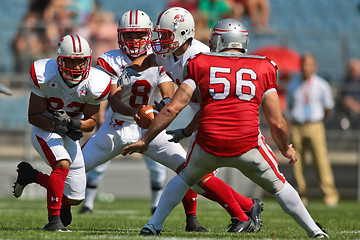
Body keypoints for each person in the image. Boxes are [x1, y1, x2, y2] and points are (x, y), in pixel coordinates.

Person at [122, 19, 329, 238]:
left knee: (183, 178)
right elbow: (277, 121)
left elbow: (173, 108)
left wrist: (146, 139)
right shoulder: (264, 66)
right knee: (279, 185)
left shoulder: (200, 62)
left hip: (209, 142)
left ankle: (153, 226)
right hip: (248, 144)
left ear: (218, 40)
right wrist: (285, 148)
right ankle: (314, 231)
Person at [119, 7, 265, 234]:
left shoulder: (199, 58)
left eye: (166, 35)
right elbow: (149, 60)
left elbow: (197, 104)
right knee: (192, 174)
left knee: (196, 174)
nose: (160, 40)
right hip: (204, 112)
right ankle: (244, 208)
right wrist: (131, 67)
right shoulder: (172, 50)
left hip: (219, 115)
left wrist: (183, 130)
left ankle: (244, 212)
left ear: (182, 33)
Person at [12, 34, 111, 231]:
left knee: (74, 198)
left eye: (81, 62)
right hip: (45, 128)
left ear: (88, 60)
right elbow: (34, 115)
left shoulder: (96, 82)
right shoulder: (44, 74)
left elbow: (90, 123)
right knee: (62, 164)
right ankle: (54, 221)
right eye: (71, 62)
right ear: (60, 60)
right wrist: (59, 126)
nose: (76, 67)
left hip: (68, 131)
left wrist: (73, 124)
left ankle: (30, 175)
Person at [287, 53, 339, 207]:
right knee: (296, 162)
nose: (306, 68)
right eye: (304, 64)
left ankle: (330, 194)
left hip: (315, 125)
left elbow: (328, 108)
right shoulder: (293, 85)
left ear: (315, 67)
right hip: (297, 125)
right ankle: (301, 195)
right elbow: (289, 106)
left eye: (309, 64)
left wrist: (319, 120)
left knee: (321, 160)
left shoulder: (322, 85)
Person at [340, 58, 360, 129]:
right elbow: (346, 99)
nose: (354, 71)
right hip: (350, 114)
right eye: (352, 69)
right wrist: (357, 108)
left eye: (356, 69)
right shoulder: (347, 82)